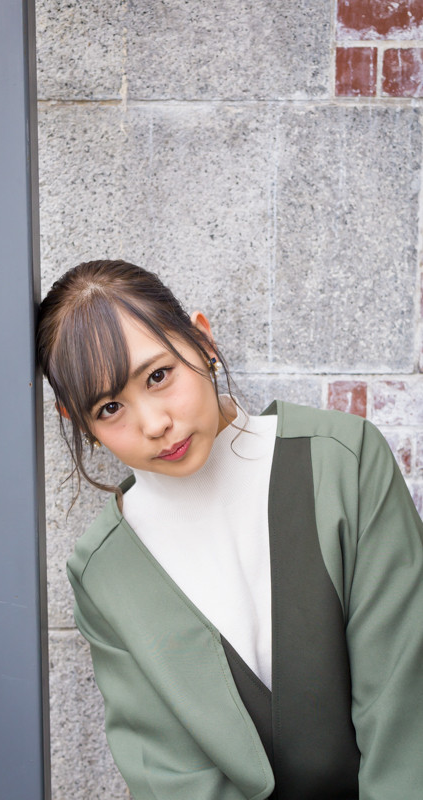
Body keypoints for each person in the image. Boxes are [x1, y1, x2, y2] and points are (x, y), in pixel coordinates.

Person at [37, 259, 423, 800]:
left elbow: (404, 707)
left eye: (158, 376)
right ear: (79, 421)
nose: (154, 423)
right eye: (110, 407)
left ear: (203, 341)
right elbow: (170, 776)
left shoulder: (344, 460)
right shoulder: (104, 570)